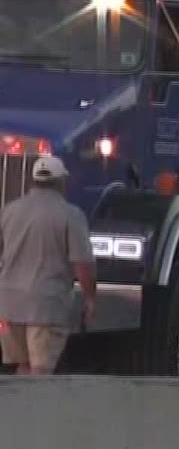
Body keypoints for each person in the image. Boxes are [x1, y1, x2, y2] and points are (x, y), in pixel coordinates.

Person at [0, 156, 97, 375]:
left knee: (22, 367)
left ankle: (18, 409)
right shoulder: (70, 215)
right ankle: (33, 409)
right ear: (62, 181)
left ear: (33, 181)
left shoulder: (9, 210)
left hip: (8, 305)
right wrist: (90, 299)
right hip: (46, 306)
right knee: (41, 372)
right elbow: (82, 263)